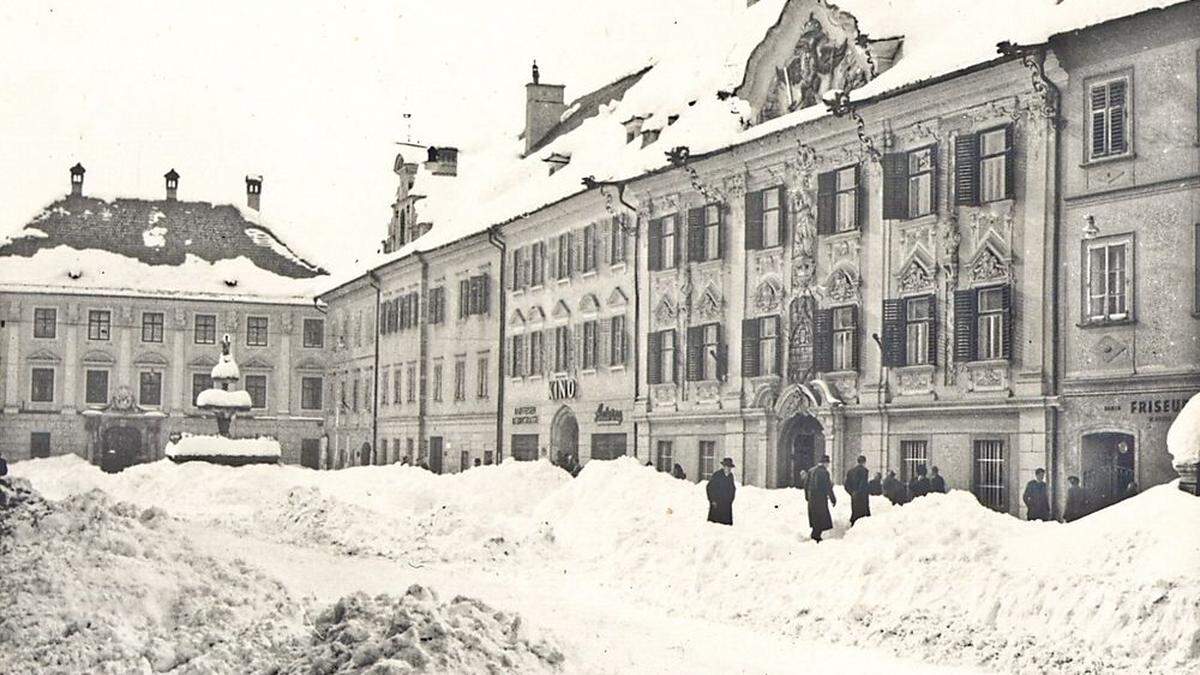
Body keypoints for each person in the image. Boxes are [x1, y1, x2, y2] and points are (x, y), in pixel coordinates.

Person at [805, 455, 837, 542]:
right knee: (821, 518)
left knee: (815, 518)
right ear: (825, 463)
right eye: (828, 463)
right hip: (820, 499)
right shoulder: (824, 472)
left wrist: (807, 497)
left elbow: (806, 485)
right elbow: (828, 487)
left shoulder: (811, 471)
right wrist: (833, 499)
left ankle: (815, 536)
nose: (828, 465)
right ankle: (816, 537)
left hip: (812, 499)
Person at [706, 457, 737, 525]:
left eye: (729, 468)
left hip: (726, 505)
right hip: (717, 504)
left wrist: (731, 499)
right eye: (726, 467)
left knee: (726, 526)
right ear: (723, 467)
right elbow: (709, 488)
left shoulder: (730, 476)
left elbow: (732, 488)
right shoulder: (717, 475)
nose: (728, 469)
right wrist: (712, 500)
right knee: (716, 525)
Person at [844, 455, 871, 526]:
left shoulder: (850, 471)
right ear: (864, 462)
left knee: (855, 512)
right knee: (863, 514)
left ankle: (853, 526)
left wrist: (852, 492)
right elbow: (863, 484)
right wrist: (860, 492)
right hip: (862, 496)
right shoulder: (864, 471)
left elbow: (846, 485)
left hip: (854, 496)